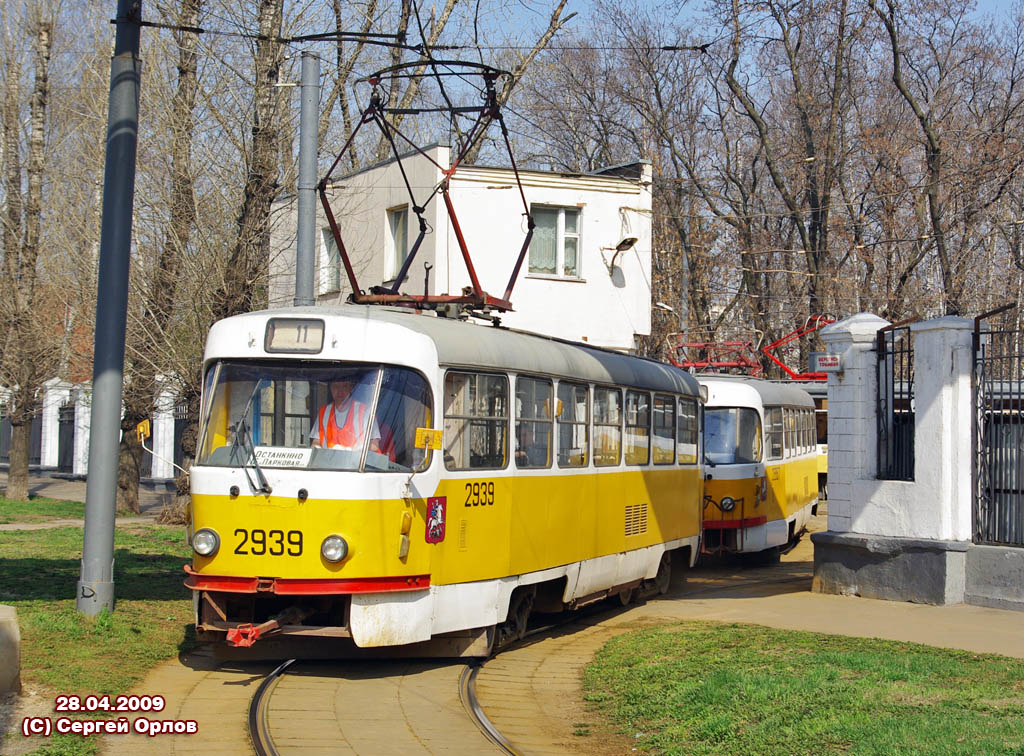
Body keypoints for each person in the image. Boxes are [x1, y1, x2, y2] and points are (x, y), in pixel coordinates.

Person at [311, 376, 381, 452]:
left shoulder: (365, 411)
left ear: (350, 388)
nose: (340, 391)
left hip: (358, 462)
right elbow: (316, 443)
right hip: (329, 462)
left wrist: (354, 452)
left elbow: (374, 445)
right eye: (335, 387)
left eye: (344, 386)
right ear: (330, 388)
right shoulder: (323, 413)